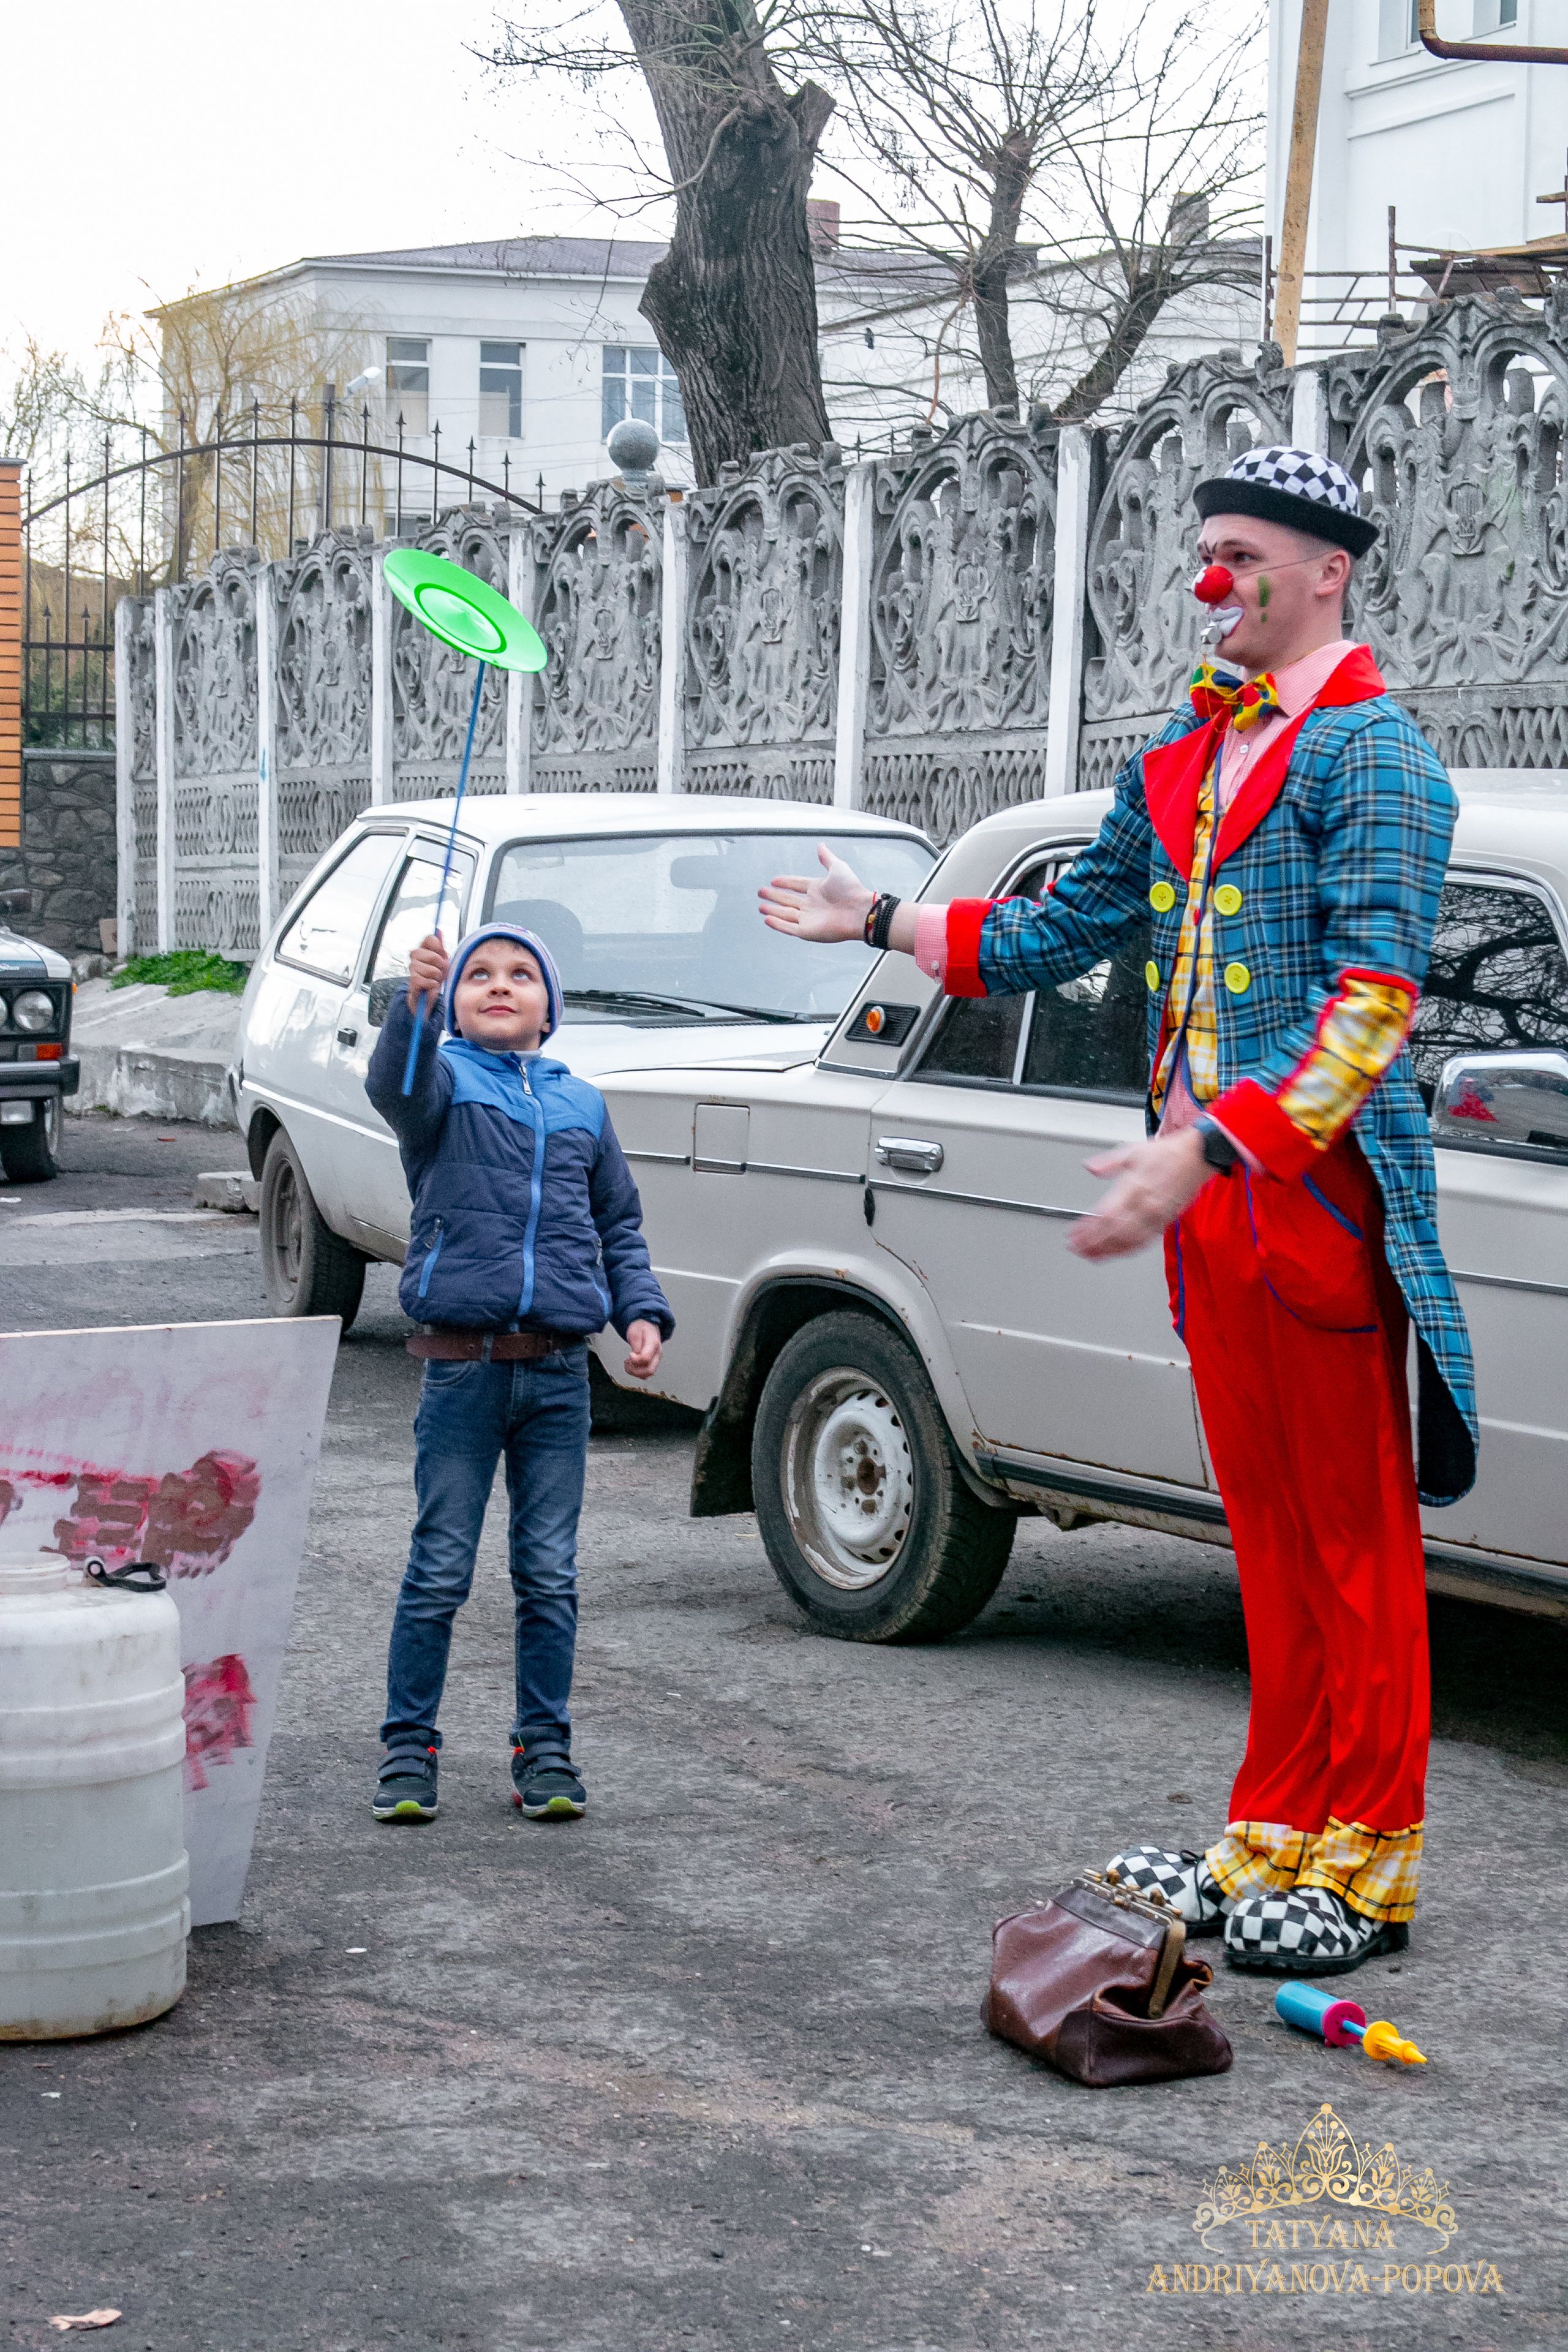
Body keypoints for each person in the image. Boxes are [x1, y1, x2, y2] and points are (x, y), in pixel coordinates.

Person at [760, 445, 1477, 1979]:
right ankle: (1271, 1828)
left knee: (1351, 1543)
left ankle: (1367, 1858)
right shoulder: (1185, 750)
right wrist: (882, 919)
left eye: (1238, 554)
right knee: (1266, 1535)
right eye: (1203, 551)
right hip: (1202, 1194)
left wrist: (1210, 1144)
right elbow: (1070, 923)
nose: (1207, 580)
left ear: (1325, 573)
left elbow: (1371, 1010)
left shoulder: (1375, 756)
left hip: (1313, 1196)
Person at [364, 922, 673, 1826]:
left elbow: (616, 1222)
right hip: (462, 1374)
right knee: (439, 1570)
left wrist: (641, 1313)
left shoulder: (583, 1104)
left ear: (551, 1008)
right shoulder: (445, 1085)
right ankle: (407, 1753)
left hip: (559, 1376)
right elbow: (396, 1084)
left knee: (549, 1572)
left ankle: (545, 1752)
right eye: (479, 976)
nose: (501, 985)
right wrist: (412, 1008)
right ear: (455, 1003)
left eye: (522, 975)